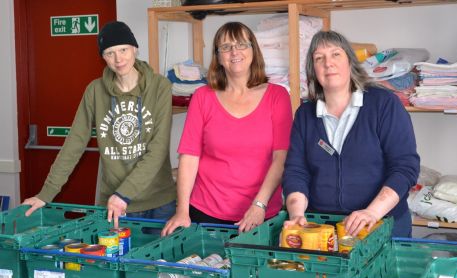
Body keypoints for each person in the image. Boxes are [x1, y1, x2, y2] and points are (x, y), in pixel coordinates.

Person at [22, 21, 176, 228]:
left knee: (159, 261)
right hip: (116, 204)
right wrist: (46, 194)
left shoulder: (160, 86)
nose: (118, 59)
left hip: (159, 202)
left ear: (135, 49)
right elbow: (74, 144)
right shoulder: (94, 91)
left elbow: (158, 150)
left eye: (123, 50)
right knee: (116, 260)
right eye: (110, 53)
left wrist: (125, 194)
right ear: (103, 57)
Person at [282, 31, 420, 237]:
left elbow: (404, 168)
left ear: (350, 61)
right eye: (319, 58)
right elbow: (296, 171)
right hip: (324, 229)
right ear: (313, 71)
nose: (328, 63)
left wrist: (371, 212)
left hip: (383, 224)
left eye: (336, 54)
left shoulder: (383, 104)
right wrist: (297, 215)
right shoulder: (305, 114)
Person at [161, 22, 292, 236]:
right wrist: (182, 210)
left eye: (241, 44)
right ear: (218, 57)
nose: (234, 52)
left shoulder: (277, 96)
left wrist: (260, 205)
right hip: (205, 213)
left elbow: (281, 158)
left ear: (253, 51)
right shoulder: (202, 97)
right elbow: (189, 158)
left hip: (261, 214)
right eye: (226, 47)